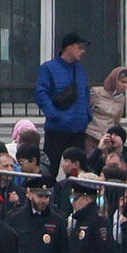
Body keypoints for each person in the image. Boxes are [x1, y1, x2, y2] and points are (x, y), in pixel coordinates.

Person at [35, 32, 91, 167]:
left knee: (77, 170)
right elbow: (41, 94)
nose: (83, 51)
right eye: (79, 47)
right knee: (50, 168)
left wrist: (87, 115)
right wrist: (55, 115)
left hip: (78, 129)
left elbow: (85, 92)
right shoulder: (48, 68)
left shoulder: (79, 69)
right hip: (57, 129)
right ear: (69, 48)